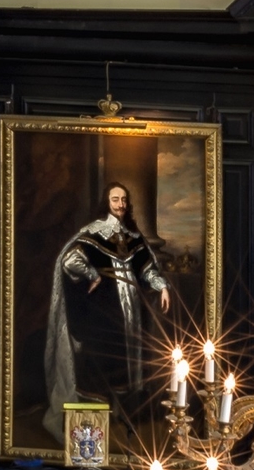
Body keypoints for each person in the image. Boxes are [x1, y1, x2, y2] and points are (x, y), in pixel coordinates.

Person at [44, 178, 175, 417]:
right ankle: (101, 413)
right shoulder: (95, 232)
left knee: (128, 354)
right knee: (105, 353)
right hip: (105, 307)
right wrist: (92, 274)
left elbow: (146, 269)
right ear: (107, 202)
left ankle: (124, 411)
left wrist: (162, 286)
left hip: (133, 308)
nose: (120, 204)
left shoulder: (133, 237)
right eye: (115, 199)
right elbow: (69, 260)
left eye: (124, 199)